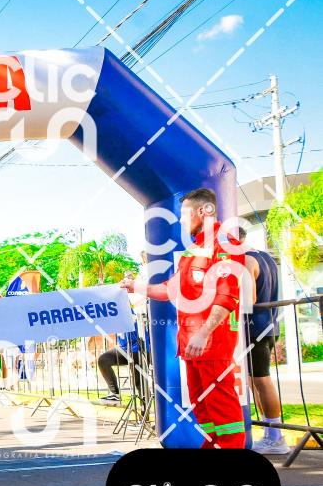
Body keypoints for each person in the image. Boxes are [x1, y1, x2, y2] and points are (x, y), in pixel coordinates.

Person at [122, 188, 245, 448]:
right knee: (203, 407)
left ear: (204, 211)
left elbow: (226, 295)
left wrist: (204, 333)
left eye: (185, 213)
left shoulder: (225, 244)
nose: (181, 220)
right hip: (191, 345)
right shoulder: (193, 250)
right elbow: (170, 289)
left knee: (223, 408)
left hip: (212, 343)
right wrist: (136, 287)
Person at [238, 227, 288, 454]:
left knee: (262, 380)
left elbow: (248, 299)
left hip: (255, 328)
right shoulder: (265, 257)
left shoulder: (246, 261)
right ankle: (270, 434)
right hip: (268, 325)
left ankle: (276, 437)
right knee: (255, 380)